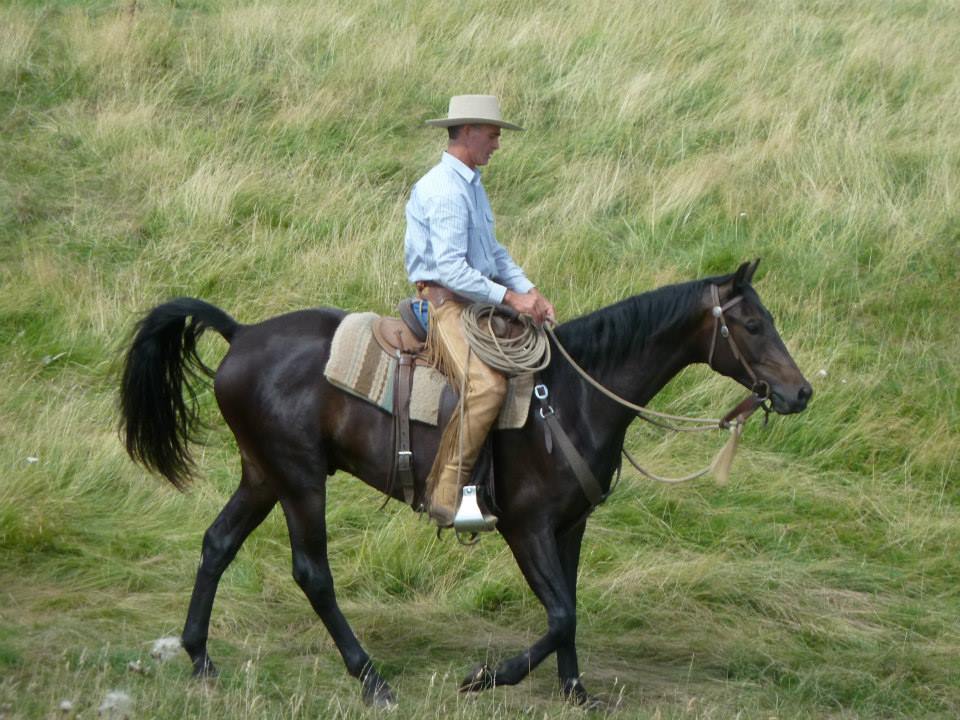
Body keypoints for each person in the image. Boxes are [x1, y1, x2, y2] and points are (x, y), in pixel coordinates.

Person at [404, 94, 556, 528]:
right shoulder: (445, 190)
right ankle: (445, 494)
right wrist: (511, 300)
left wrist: (531, 291)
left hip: (474, 302)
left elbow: (493, 252)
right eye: (493, 135)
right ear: (468, 132)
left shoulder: (470, 184)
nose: (498, 144)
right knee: (486, 388)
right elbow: (451, 269)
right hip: (446, 304)